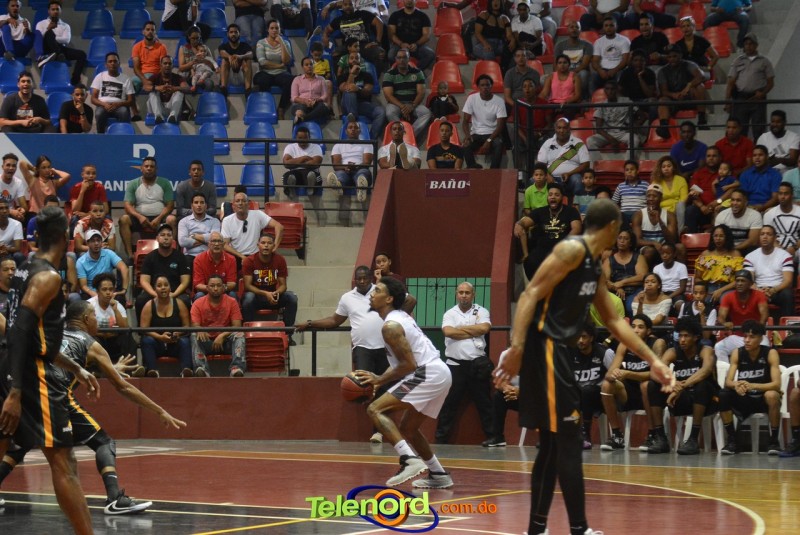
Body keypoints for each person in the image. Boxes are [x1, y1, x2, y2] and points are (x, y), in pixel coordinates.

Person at [494, 199, 673, 535]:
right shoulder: (571, 250)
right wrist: (516, 348)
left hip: (558, 352)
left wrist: (654, 360)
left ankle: (538, 529)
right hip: (545, 348)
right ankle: (579, 529)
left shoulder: (593, 265)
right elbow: (530, 294)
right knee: (568, 440)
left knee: (553, 445)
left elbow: (613, 321)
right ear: (612, 227)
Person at [0, 299, 185, 512]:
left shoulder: (54, 335)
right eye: (95, 316)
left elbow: (63, 362)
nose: (97, 320)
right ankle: (114, 498)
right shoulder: (91, 343)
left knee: (22, 443)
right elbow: (123, 387)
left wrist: (109, 367)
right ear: (86, 319)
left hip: (24, 390)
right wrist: (159, 410)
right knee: (104, 442)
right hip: (55, 394)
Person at [0, 206, 100, 534]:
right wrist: (16, 390)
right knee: (63, 460)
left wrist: (75, 367)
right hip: (31, 375)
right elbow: (19, 332)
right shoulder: (48, 277)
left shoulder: (25, 268)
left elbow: (38, 336)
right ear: (64, 235)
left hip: (14, 365)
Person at [355, 276, 454, 489]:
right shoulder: (401, 314)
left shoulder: (391, 326)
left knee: (375, 409)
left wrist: (379, 379)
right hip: (438, 372)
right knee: (409, 428)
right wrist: (389, 282)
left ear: (389, 298)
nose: (372, 293)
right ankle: (439, 474)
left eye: (377, 290)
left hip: (427, 372)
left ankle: (408, 459)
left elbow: (408, 365)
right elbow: (410, 299)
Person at [295, 265, 389, 443]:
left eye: (365, 278)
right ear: (355, 279)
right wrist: (309, 323)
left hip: (385, 347)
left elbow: (404, 302)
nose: (362, 281)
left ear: (371, 278)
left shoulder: (380, 292)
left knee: (384, 387)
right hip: (362, 348)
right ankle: (375, 429)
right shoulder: (347, 298)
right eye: (359, 278)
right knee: (367, 387)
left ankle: (380, 430)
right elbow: (334, 320)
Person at [647, 318, 718, 455]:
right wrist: (673, 384)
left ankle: (693, 439)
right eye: (680, 336)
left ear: (696, 337)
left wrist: (682, 386)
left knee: (702, 385)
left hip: (707, 401)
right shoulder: (673, 352)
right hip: (682, 399)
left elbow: (706, 371)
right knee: (652, 385)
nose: (682, 340)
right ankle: (661, 438)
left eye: (686, 336)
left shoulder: (706, 350)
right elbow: (654, 373)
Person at [434, 282, 493, 445]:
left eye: (467, 292)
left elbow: (484, 329)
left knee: (485, 403)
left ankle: (493, 437)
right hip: (455, 366)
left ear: (473, 294)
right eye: (461, 292)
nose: (464, 295)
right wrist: (473, 330)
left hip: (477, 365)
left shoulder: (481, 311)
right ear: (456, 294)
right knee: (449, 404)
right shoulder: (450, 313)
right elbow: (448, 332)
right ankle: (441, 439)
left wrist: (459, 330)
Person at [600, 313, 667, 451]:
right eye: (633, 326)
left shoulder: (656, 343)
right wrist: (614, 374)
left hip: (652, 393)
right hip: (629, 393)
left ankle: (652, 434)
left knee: (645, 385)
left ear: (648, 331)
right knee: (606, 385)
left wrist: (629, 373)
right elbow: (609, 373)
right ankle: (617, 435)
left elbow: (656, 375)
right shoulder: (625, 344)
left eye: (640, 327)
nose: (635, 330)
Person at [719, 320, 782, 455]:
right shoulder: (737, 352)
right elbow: (728, 382)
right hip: (746, 398)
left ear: (761, 339)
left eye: (752, 337)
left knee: (772, 395)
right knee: (723, 394)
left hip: (763, 399)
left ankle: (774, 441)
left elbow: (777, 384)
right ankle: (732, 440)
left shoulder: (770, 353)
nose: (747, 340)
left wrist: (752, 385)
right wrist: (736, 385)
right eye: (745, 336)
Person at [516, 182, 582, 279]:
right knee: (530, 262)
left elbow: (577, 229)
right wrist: (519, 224)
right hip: (542, 249)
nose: (553, 197)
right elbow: (525, 222)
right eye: (550, 195)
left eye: (556, 195)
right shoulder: (540, 211)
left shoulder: (571, 211)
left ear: (562, 197)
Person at [241, 233, 298, 341]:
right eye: (263, 243)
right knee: (248, 298)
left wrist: (276, 293)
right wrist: (265, 294)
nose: (266, 245)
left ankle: (287, 335)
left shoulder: (280, 260)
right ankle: (247, 334)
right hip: (256, 296)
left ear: (274, 246)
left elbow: (283, 285)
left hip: (274, 296)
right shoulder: (249, 261)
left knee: (292, 298)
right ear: (258, 245)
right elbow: (247, 286)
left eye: (269, 243)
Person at [119, 157, 177, 260]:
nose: (149, 168)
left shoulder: (165, 183)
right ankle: (130, 256)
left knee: (172, 219)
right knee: (124, 219)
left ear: (156, 169)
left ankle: (173, 254)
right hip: (139, 219)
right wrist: (139, 217)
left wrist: (159, 218)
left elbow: (170, 205)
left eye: (152, 166)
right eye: (146, 166)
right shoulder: (133, 183)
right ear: (141, 168)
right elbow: (127, 205)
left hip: (160, 218)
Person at [191, 274, 246, 378]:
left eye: (218, 285)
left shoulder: (232, 302)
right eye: (212, 286)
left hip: (225, 342)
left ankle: (237, 368)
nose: (215, 288)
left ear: (224, 287)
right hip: (207, 341)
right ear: (207, 288)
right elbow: (195, 325)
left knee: (239, 334)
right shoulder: (198, 303)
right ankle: (202, 368)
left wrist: (222, 335)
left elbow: (237, 326)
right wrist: (199, 329)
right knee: (194, 334)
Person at [570, 323, 614, 449]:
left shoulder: (605, 353)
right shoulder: (570, 352)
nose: (580, 340)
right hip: (578, 396)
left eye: (584, 337)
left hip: (599, 398)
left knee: (587, 390)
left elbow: (615, 378)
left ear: (591, 338)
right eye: (578, 337)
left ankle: (585, 434)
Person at [134, 224, 191, 321]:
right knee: (140, 300)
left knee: (185, 301)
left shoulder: (180, 257)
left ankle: (184, 329)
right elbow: (144, 281)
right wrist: (155, 294)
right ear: (157, 238)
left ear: (172, 239)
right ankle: (142, 329)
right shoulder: (150, 257)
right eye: (163, 235)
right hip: (154, 292)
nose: (166, 238)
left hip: (175, 292)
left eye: (169, 235)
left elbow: (185, 281)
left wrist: (174, 294)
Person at [140, 275, 193, 377]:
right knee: (146, 341)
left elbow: (186, 326)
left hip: (175, 342)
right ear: (155, 289)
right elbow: (144, 329)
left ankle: (186, 370)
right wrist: (160, 337)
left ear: (170, 288)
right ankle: (152, 370)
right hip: (157, 343)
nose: (163, 288)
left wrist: (178, 333)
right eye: (159, 286)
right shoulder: (149, 305)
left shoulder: (179, 304)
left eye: (166, 285)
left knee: (185, 341)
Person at [724, 33, 774, 140]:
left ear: (756, 45)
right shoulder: (738, 61)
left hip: (757, 98)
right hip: (741, 98)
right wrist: (727, 101)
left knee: (759, 129)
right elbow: (731, 82)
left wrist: (763, 93)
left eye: (751, 44)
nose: (748, 46)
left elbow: (770, 82)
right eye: (746, 44)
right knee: (740, 129)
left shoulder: (764, 61)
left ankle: (759, 149)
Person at [714, 270, 769, 363]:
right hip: (737, 336)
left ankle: (762, 371)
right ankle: (726, 371)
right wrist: (724, 323)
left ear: (750, 284)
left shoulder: (759, 295)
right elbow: (721, 316)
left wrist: (757, 331)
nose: (739, 283)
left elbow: (764, 314)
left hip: (755, 335)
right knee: (719, 347)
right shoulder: (728, 296)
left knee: (765, 346)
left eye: (743, 281)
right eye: (737, 281)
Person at [655, 46, 709, 136]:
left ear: (680, 55)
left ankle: (702, 120)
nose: (672, 59)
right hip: (674, 100)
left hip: (689, 97)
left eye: (674, 56)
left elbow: (701, 77)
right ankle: (664, 127)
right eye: (669, 57)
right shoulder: (662, 71)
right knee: (662, 100)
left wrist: (688, 86)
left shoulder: (689, 65)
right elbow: (664, 91)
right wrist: (674, 95)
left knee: (700, 87)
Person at [743, 225, 794, 319]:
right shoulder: (750, 256)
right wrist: (759, 291)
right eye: (762, 234)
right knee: (744, 291)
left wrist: (772, 290)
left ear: (774, 238)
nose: (765, 237)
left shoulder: (785, 255)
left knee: (787, 294)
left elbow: (788, 281)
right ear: (759, 237)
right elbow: (748, 280)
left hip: (777, 290)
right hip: (757, 290)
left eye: (768, 234)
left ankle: (787, 326)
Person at [381, 48, 431, 142]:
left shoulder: (417, 72)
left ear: (409, 59)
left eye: (404, 57)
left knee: (426, 113)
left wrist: (412, 105)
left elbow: (421, 93)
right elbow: (388, 96)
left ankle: (408, 135)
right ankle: (402, 134)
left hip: (413, 103)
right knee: (389, 113)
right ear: (395, 59)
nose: (402, 60)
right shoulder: (389, 74)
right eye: (399, 58)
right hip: (396, 104)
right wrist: (403, 107)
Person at [221, 189, 283, 264]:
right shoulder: (227, 220)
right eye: (237, 201)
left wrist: (274, 247)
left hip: (255, 256)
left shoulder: (258, 214)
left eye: (243, 201)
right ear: (233, 206)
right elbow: (225, 245)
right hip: (236, 256)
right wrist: (242, 257)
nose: (240, 203)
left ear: (248, 205)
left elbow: (279, 227)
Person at [323, 0, 386, 73]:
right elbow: (327, 30)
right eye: (345, 5)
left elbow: (379, 22)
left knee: (380, 53)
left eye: (350, 4)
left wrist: (377, 41)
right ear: (342, 6)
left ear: (354, 5)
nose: (348, 6)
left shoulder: (363, 14)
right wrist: (325, 37)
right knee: (333, 55)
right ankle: (341, 79)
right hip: (348, 47)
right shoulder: (339, 20)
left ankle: (376, 78)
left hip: (364, 45)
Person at [537, 118, 592, 199]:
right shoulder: (548, 143)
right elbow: (540, 164)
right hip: (551, 177)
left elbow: (586, 164)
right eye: (559, 128)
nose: (561, 131)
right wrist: (547, 175)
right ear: (555, 129)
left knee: (577, 179)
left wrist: (569, 174)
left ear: (569, 129)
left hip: (571, 178)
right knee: (533, 180)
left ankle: (577, 206)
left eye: (564, 128)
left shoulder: (578, 143)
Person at [34, 1, 86, 86]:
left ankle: (74, 80)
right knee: (49, 33)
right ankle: (49, 56)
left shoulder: (65, 26)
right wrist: (48, 29)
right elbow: (38, 39)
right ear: (49, 11)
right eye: (53, 9)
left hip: (60, 49)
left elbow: (66, 40)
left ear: (60, 11)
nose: (55, 11)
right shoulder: (41, 24)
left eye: (57, 9)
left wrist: (54, 39)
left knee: (82, 54)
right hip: (46, 49)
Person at [339, 50, 385, 141]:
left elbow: (368, 91)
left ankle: (371, 140)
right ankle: (353, 117)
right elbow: (345, 88)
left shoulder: (367, 76)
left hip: (362, 105)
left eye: (357, 58)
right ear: (348, 61)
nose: (354, 60)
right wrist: (352, 74)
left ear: (361, 61)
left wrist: (358, 89)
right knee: (350, 92)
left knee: (381, 112)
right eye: (352, 58)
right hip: (347, 104)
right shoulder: (343, 76)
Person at [328, 119, 375, 208]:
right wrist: (346, 167)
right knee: (340, 174)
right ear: (346, 131)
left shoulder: (367, 144)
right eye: (350, 127)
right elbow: (336, 165)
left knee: (363, 173)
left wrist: (356, 167)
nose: (353, 129)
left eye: (355, 128)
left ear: (359, 131)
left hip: (360, 169)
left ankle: (361, 188)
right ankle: (339, 186)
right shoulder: (338, 145)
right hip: (344, 170)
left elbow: (367, 163)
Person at [253, 20, 294, 119]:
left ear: (280, 30)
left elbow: (286, 61)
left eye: (277, 28)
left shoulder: (286, 43)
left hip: (281, 73)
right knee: (260, 80)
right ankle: (265, 108)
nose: (274, 30)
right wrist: (279, 66)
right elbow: (262, 62)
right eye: (272, 28)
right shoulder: (261, 43)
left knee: (291, 81)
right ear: (268, 30)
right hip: (266, 72)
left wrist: (282, 43)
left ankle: (281, 109)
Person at [282, 125, 325, 219]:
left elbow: (316, 163)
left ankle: (311, 185)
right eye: (300, 138)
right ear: (296, 138)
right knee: (288, 175)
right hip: (295, 172)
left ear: (309, 137)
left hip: (310, 170)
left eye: (305, 138)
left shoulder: (316, 147)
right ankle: (291, 188)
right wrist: (304, 158)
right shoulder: (290, 147)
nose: (302, 141)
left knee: (312, 174)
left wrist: (295, 162)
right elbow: (286, 163)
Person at [631, 182, 679, 266]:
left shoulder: (670, 215)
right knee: (649, 251)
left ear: (661, 198)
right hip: (646, 247)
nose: (651, 199)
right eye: (648, 196)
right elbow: (637, 241)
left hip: (665, 247)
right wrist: (653, 243)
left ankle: (679, 273)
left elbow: (672, 240)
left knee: (680, 248)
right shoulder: (638, 215)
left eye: (654, 196)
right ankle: (646, 274)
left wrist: (660, 221)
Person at [88, 272, 131, 363]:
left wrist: (115, 310)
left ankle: (131, 368)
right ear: (97, 291)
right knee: (92, 340)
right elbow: (86, 329)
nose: (108, 293)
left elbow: (125, 328)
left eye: (111, 289)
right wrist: (104, 333)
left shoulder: (118, 305)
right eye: (104, 289)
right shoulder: (89, 305)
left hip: (113, 339)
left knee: (127, 339)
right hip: (97, 338)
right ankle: (95, 369)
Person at [602, 228, 648, 316]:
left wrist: (622, 283)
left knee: (631, 307)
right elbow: (605, 281)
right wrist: (616, 288)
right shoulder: (609, 260)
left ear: (630, 243)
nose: (622, 241)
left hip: (635, 290)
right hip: (615, 291)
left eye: (626, 239)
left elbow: (642, 276)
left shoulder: (638, 257)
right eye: (619, 238)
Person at [694, 223, 744, 303]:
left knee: (725, 301)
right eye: (715, 236)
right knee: (703, 302)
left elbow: (739, 279)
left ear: (727, 237)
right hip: (708, 287)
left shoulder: (735, 254)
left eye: (721, 236)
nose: (718, 238)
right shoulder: (705, 254)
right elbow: (698, 278)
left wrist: (720, 290)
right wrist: (705, 290)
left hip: (728, 288)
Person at [90, 52, 136, 134]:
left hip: (120, 106)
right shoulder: (100, 76)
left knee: (124, 112)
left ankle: (122, 136)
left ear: (119, 64)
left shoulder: (126, 79)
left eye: (115, 61)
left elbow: (131, 101)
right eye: (110, 61)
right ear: (106, 64)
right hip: (103, 106)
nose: (112, 63)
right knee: (99, 113)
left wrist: (118, 104)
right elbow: (93, 99)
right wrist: (104, 104)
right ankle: (100, 136)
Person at [586, 79, 638, 151]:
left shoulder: (626, 101)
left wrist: (634, 126)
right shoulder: (601, 105)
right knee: (590, 140)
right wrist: (610, 139)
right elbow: (598, 128)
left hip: (623, 133)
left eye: (612, 89)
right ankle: (597, 159)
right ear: (605, 91)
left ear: (616, 90)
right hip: (608, 133)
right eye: (607, 89)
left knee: (635, 140)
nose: (610, 92)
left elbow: (643, 116)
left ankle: (629, 158)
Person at [76, 229, 128, 299]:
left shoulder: (109, 253)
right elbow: (83, 285)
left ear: (101, 242)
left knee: (120, 298)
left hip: (108, 290)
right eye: (93, 241)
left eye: (98, 240)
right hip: (92, 292)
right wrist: (93, 294)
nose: (96, 243)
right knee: (85, 297)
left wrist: (124, 289)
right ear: (87, 243)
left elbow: (123, 268)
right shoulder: (81, 262)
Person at [387, 0, 434, 70]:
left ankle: (415, 71)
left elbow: (426, 35)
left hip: (417, 46)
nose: (409, 1)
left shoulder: (423, 16)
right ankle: (397, 72)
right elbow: (391, 34)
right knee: (391, 55)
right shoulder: (395, 15)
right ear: (403, 1)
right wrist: (401, 44)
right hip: (399, 46)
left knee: (430, 54)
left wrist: (416, 44)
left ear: (415, 1)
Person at [590, 15, 630, 94]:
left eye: (611, 25)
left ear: (616, 27)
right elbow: (595, 61)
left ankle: (619, 98)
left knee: (621, 76)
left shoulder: (624, 40)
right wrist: (600, 71)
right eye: (606, 26)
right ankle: (593, 99)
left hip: (619, 69)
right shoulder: (598, 42)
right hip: (603, 70)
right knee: (593, 77)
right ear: (603, 27)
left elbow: (625, 60)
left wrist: (614, 70)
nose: (608, 28)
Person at [553, 20, 593, 100]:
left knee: (584, 74)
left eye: (577, 27)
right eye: (571, 27)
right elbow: (555, 64)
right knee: (543, 79)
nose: (574, 29)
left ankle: (583, 98)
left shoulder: (587, 45)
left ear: (580, 30)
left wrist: (570, 74)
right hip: (563, 72)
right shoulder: (559, 45)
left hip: (579, 72)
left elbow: (584, 65)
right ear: (567, 30)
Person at [713, 189, 762, 253]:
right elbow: (717, 237)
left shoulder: (755, 215)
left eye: (738, 200)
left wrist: (734, 250)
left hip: (746, 250)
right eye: (732, 200)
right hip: (726, 250)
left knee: (753, 249)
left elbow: (753, 241)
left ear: (745, 202)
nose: (734, 203)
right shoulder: (722, 215)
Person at [192, 231, 237, 301]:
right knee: (199, 295)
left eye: (219, 241)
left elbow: (232, 283)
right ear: (208, 244)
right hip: (206, 291)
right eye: (213, 241)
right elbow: (198, 284)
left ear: (223, 244)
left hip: (224, 291)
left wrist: (219, 289)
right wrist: (213, 288)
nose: (216, 244)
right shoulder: (199, 259)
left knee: (232, 294)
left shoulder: (231, 259)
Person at [674, 15, 719, 83]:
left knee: (697, 78)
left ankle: (689, 86)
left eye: (688, 25)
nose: (686, 28)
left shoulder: (702, 41)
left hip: (702, 70)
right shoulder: (678, 44)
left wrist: (708, 68)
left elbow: (715, 56)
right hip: (686, 72)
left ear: (693, 27)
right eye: (683, 26)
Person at [472, 0, 514, 71]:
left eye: (498, 1)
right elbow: (477, 33)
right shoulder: (484, 14)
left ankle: (506, 73)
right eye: (493, 1)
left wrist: (513, 40)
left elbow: (509, 35)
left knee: (513, 52)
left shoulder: (505, 18)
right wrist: (485, 44)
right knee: (489, 52)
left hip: (499, 45)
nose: (496, 2)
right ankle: (493, 74)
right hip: (483, 44)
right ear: (490, 3)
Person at [177, 192, 220, 260]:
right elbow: (182, 242)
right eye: (196, 202)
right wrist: (206, 239)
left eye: (202, 202)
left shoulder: (215, 221)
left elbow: (215, 239)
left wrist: (193, 236)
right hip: (190, 256)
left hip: (209, 256)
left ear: (206, 206)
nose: (199, 205)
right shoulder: (183, 222)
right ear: (192, 206)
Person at [738, 145, 781, 213]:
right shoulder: (745, 174)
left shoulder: (775, 175)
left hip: (767, 208)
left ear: (767, 157)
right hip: (748, 207)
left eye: (760, 155)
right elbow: (742, 196)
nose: (757, 158)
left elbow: (775, 198)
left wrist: (762, 207)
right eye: (754, 155)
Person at [147, 55, 189, 125]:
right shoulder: (155, 77)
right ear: (161, 65)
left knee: (179, 92)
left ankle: (173, 117)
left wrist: (175, 88)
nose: (167, 65)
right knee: (152, 93)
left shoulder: (177, 77)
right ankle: (158, 117)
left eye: (169, 64)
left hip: (172, 107)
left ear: (172, 66)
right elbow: (145, 87)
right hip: (158, 108)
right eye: (165, 63)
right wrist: (158, 88)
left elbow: (187, 88)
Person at [290, 57, 331, 125]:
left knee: (324, 107)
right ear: (302, 67)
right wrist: (305, 101)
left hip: (316, 104)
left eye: (311, 64)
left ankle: (303, 118)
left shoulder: (321, 79)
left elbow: (324, 95)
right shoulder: (297, 79)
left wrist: (317, 100)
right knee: (299, 107)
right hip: (301, 103)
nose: (309, 66)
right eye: (306, 65)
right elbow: (293, 97)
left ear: (314, 66)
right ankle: (300, 113)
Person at [757, 110, 800, 175]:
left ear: (785, 122)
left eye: (778, 122)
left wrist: (778, 160)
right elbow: (758, 158)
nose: (775, 124)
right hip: (767, 174)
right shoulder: (763, 137)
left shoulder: (794, 137)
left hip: (786, 174)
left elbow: (793, 160)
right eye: (773, 121)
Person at [131, 20, 168, 96]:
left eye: (152, 30)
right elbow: (136, 68)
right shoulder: (136, 47)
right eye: (148, 29)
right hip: (142, 75)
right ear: (143, 32)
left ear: (155, 32)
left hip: (156, 75)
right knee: (131, 83)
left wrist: (153, 79)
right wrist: (144, 80)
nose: (150, 32)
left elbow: (163, 67)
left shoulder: (162, 47)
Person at [539, 54, 581, 119]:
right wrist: (536, 101)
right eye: (560, 63)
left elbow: (577, 95)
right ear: (556, 65)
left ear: (569, 64)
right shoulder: (551, 76)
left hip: (569, 104)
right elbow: (544, 93)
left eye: (565, 62)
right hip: (553, 104)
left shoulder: (575, 76)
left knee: (568, 112)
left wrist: (566, 102)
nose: (562, 65)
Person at [763, 182, 800, 256]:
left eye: (786, 194)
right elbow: (767, 236)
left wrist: (794, 248)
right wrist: (780, 251)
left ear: (792, 195)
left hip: (797, 249)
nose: (783, 196)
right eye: (780, 193)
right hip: (776, 248)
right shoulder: (769, 214)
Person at [68, 163, 108, 230]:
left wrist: (88, 215)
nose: (91, 176)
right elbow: (75, 210)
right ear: (82, 175)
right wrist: (82, 191)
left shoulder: (100, 187)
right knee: (74, 218)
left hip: (95, 214)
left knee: (107, 218)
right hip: (80, 215)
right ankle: (74, 237)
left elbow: (106, 209)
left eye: (93, 173)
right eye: (88, 173)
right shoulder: (76, 187)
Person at [178, 26, 218, 93]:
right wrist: (193, 62)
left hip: (203, 75)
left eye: (197, 38)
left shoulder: (205, 48)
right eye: (193, 38)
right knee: (183, 84)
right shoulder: (183, 48)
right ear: (189, 37)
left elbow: (213, 67)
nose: (196, 41)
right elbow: (181, 68)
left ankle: (205, 98)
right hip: (189, 75)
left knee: (209, 84)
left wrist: (203, 60)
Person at [218, 23, 253, 96]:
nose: (233, 34)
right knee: (224, 60)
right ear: (227, 34)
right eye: (231, 32)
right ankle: (223, 88)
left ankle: (248, 90)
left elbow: (251, 54)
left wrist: (240, 57)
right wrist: (230, 57)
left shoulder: (245, 45)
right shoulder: (224, 46)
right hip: (228, 76)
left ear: (239, 34)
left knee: (247, 60)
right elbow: (222, 52)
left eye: (235, 32)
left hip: (242, 75)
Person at [652, 242, 688, 312]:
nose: (664, 256)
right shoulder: (656, 268)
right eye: (662, 253)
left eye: (668, 253)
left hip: (676, 293)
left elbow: (682, 288)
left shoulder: (681, 267)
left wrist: (668, 297)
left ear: (674, 254)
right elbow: (656, 285)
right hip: (661, 293)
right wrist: (662, 296)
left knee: (680, 305)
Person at [612, 159, 648, 225]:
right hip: (624, 215)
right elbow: (613, 202)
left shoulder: (645, 185)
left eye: (632, 169)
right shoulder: (621, 186)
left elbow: (650, 201)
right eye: (627, 170)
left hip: (640, 214)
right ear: (624, 173)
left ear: (637, 171)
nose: (629, 172)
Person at [0, 153, 27, 222]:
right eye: (8, 165)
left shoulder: (18, 182)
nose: (11, 168)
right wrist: (10, 211)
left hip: (10, 215)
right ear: (2, 167)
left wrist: (22, 210)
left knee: (23, 218)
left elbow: (24, 205)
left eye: (13, 166)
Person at [0, 198, 24, 266]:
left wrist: (6, 249)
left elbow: (17, 248)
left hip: (9, 253)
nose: (4, 211)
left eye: (6, 208)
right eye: (1, 208)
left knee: (19, 255)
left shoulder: (17, 224)